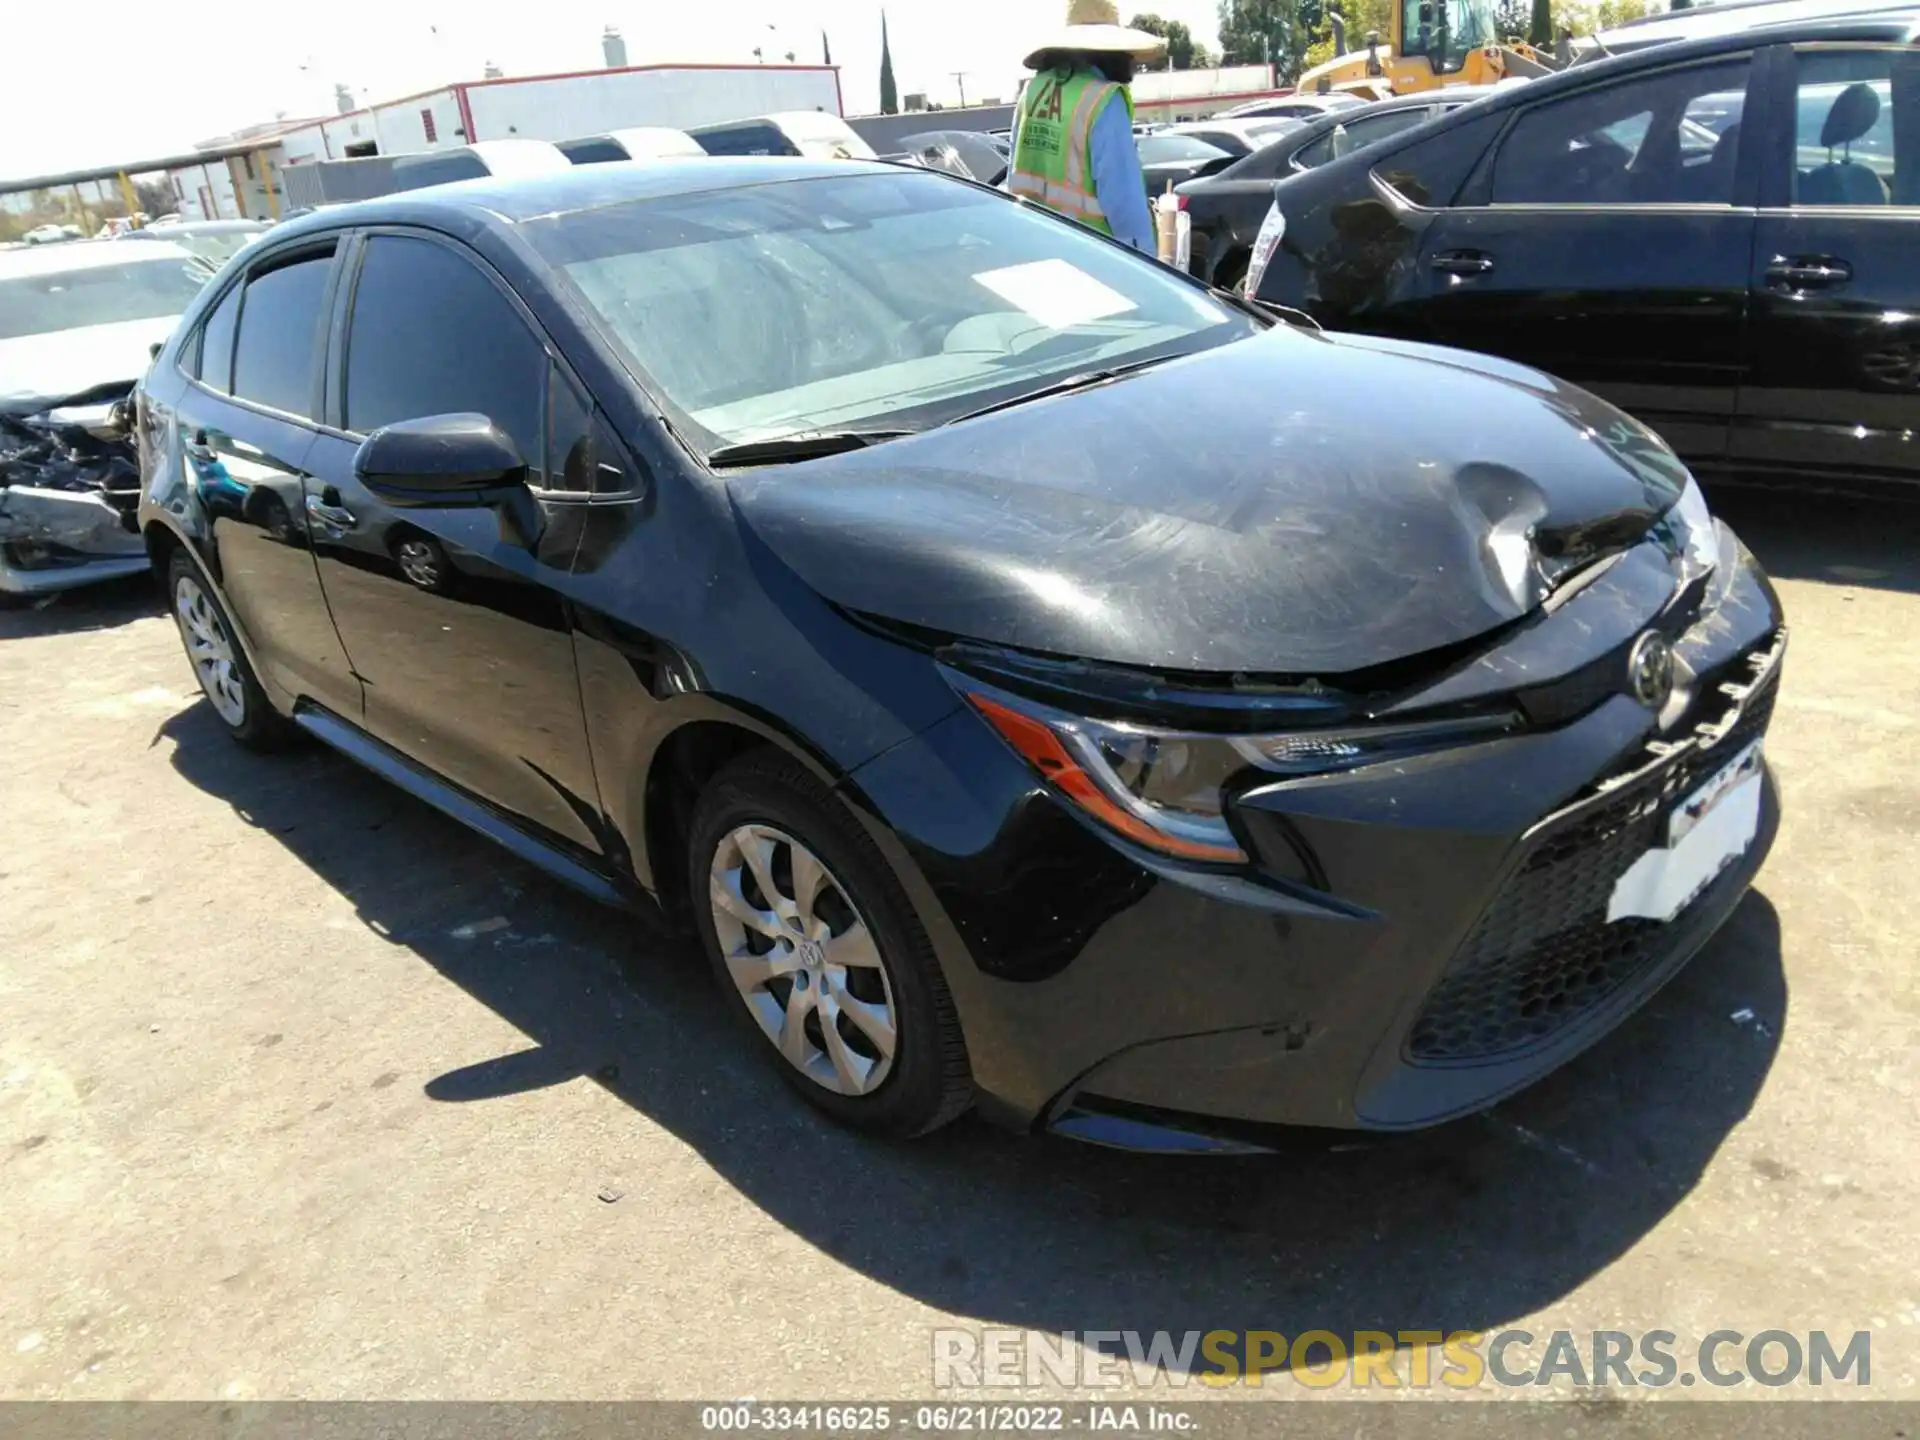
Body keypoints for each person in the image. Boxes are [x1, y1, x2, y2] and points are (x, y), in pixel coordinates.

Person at [1007, 0, 1165, 255]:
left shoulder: (1032, 92)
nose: (1132, 60)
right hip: (1093, 259)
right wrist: (1152, 269)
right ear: (1110, 50)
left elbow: (1014, 177)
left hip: (1034, 250)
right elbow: (1125, 209)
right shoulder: (1103, 98)